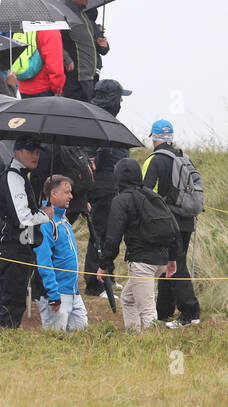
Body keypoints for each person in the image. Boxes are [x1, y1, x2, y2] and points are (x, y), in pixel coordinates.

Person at [98, 158, 180, 331]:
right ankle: (133, 339)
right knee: (128, 299)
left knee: (148, 311)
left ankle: (154, 352)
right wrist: (172, 259)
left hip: (142, 263)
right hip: (161, 261)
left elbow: (113, 237)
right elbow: (174, 228)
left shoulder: (121, 200)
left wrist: (104, 265)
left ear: (117, 177)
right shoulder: (153, 196)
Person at [141, 119, 202, 327]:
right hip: (187, 220)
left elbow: (145, 193)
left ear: (154, 138)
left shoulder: (155, 160)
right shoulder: (183, 157)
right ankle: (163, 311)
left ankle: (190, 313)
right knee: (170, 263)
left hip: (168, 221)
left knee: (176, 265)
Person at [0, 137, 50, 328]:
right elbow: (24, 219)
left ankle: (5, 342)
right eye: (30, 151)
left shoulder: (21, 175)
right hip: (11, 249)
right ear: (16, 152)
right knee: (11, 302)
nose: (35, 156)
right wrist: (44, 215)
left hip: (18, 248)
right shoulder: (14, 176)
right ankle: (3, 345)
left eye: (38, 152)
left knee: (14, 301)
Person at [82, 79, 132, 295]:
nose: (122, 100)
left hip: (110, 186)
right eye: (120, 96)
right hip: (100, 188)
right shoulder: (95, 121)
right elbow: (91, 154)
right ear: (112, 99)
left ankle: (107, 273)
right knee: (100, 234)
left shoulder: (104, 119)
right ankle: (95, 282)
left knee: (111, 233)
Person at [34, 174, 88, 331]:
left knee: (82, 336)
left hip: (73, 292)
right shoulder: (45, 222)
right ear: (53, 193)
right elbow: (43, 261)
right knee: (56, 341)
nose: (71, 196)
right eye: (67, 192)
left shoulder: (63, 219)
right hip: (56, 294)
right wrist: (53, 294)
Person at [13, 25, 65, 98]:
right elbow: (55, 67)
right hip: (44, 90)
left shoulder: (24, 27)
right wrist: (58, 90)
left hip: (23, 88)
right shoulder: (50, 30)